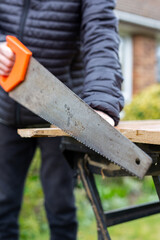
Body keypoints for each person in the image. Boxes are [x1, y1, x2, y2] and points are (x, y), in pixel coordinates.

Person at [0, 0, 124, 239]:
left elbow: (101, 36)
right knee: (2, 205)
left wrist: (100, 103)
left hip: (60, 115)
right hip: (5, 109)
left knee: (61, 206)